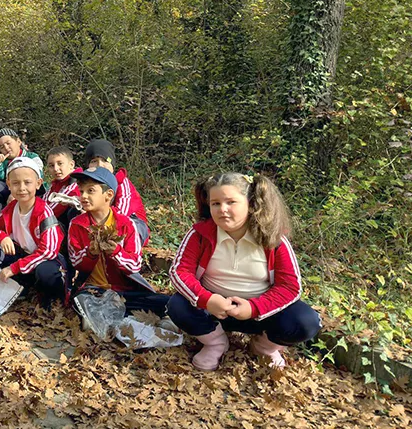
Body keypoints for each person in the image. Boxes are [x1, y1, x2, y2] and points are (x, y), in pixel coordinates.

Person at [168, 173, 321, 370]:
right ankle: (215, 342)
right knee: (177, 305)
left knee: (305, 321)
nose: (222, 209)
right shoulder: (200, 234)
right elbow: (180, 272)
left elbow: (290, 286)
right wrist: (207, 300)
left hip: (260, 315)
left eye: (231, 202)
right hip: (213, 312)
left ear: (250, 203)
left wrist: (254, 308)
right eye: (215, 203)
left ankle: (264, 347)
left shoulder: (273, 239)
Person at [67, 167, 168, 323]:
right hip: (93, 290)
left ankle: (114, 317)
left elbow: (134, 265)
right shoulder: (77, 224)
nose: (84, 196)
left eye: (90, 191)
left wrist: (116, 252)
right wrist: (91, 253)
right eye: (81, 191)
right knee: (82, 301)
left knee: (166, 303)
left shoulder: (125, 224)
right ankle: (113, 318)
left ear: (108, 195)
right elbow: (76, 262)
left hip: (124, 291)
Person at [0, 157, 65, 309]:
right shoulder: (11, 208)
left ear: (38, 184)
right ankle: (19, 284)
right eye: (16, 183)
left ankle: (48, 295)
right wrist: (2, 236)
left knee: (46, 272)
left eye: (27, 182)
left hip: (42, 260)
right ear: (9, 185)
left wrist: (14, 268)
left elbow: (48, 252)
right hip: (21, 256)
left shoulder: (44, 212)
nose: (22, 188)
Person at [82, 139, 149, 240]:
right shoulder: (86, 185)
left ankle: (124, 249)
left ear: (112, 164)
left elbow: (123, 213)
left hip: (130, 222)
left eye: (105, 160)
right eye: (94, 161)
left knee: (133, 227)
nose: (100, 165)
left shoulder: (122, 183)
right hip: (99, 222)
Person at [0, 128, 42, 207]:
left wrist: (16, 194)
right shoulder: (3, 161)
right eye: (2, 147)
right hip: (11, 188)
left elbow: (38, 176)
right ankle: (0, 211)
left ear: (18, 142)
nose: (6, 148)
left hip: (30, 189)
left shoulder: (32, 157)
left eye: (8, 143)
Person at [44, 146, 83, 226]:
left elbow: (54, 209)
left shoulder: (77, 183)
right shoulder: (56, 182)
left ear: (71, 164)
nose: (55, 169)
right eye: (51, 165)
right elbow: (44, 200)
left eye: (60, 164)